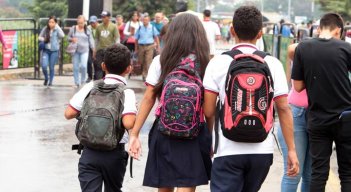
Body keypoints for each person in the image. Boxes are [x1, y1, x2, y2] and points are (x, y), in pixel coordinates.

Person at [203, 6, 299, 192]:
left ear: (232, 30)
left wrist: (209, 143)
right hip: (262, 151)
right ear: (260, 33)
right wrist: (292, 150)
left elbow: (208, 111)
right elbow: (284, 109)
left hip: (227, 150)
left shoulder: (218, 63)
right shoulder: (273, 64)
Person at [128, 13, 212, 192]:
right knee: (187, 185)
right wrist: (212, 138)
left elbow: (149, 97)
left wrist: (134, 134)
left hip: (164, 130)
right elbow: (210, 107)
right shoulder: (206, 62)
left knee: (164, 186)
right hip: (194, 131)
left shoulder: (162, 60)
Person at [64, 44, 137, 192]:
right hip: (115, 154)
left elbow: (68, 113)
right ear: (129, 68)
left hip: (89, 152)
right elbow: (128, 123)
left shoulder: (91, 86)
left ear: (103, 66)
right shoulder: (127, 92)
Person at [292, 13, 351, 192]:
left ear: (319, 29)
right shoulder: (346, 48)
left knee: (318, 173)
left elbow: (298, 86)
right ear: (338, 31)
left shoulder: (303, 48)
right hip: (346, 118)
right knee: (347, 173)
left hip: (317, 118)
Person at [277, 43, 311, 192]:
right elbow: (291, 48)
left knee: (311, 175)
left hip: (317, 115)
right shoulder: (302, 53)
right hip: (296, 115)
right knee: (293, 173)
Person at [68, 15, 95, 88]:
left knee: (83, 66)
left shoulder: (87, 30)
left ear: (84, 22)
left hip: (85, 50)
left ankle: (83, 81)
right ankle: (77, 82)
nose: (81, 25)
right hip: (75, 50)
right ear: (77, 22)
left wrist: (93, 49)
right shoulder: (73, 28)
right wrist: (72, 39)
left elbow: (91, 40)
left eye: (82, 23)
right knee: (76, 67)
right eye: (79, 23)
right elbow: (68, 37)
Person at [39, 16, 65, 86]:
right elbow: (39, 37)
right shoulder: (45, 28)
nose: (51, 23)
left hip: (54, 51)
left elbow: (62, 35)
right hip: (46, 50)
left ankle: (50, 81)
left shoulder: (57, 29)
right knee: (44, 66)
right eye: (49, 22)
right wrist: (44, 39)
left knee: (51, 67)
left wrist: (57, 27)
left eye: (53, 22)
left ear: (55, 23)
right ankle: (46, 78)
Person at [134, 13, 160, 81]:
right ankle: (143, 72)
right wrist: (136, 49)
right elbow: (136, 39)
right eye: (144, 20)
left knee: (148, 61)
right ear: (142, 20)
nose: (145, 21)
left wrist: (158, 47)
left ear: (148, 20)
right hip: (141, 46)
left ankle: (146, 75)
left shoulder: (152, 27)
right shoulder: (140, 28)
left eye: (146, 20)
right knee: (142, 61)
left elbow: (156, 37)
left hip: (150, 46)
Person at [86, 15, 99, 82]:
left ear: (97, 22)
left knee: (96, 62)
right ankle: (89, 76)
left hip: (98, 47)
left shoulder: (100, 27)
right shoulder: (88, 28)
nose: (92, 24)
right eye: (91, 22)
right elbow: (90, 39)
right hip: (90, 47)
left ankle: (96, 76)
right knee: (89, 61)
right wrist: (93, 48)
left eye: (93, 22)